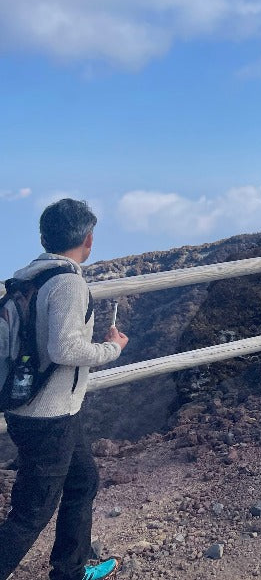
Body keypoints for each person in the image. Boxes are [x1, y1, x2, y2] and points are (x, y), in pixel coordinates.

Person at [0, 199, 128, 580]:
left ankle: (70, 570)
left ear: (44, 237)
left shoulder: (27, 277)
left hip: (38, 408)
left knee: (83, 481)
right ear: (88, 240)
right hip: (48, 417)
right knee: (31, 512)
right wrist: (113, 348)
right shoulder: (69, 283)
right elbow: (65, 349)